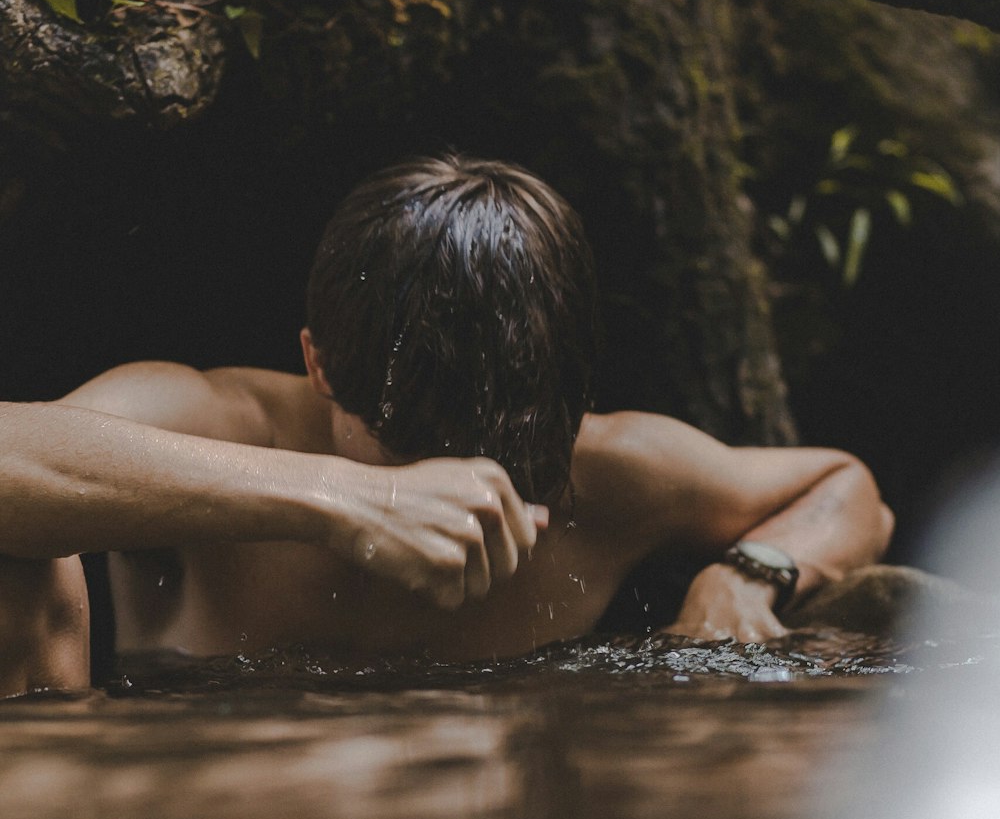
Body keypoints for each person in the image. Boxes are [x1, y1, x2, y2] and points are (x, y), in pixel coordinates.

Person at [0, 155, 893, 697]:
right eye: (416, 441)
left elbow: (845, 486)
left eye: (507, 446)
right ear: (319, 365)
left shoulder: (610, 468)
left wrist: (749, 575)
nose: (468, 481)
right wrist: (350, 498)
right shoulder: (222, 421)